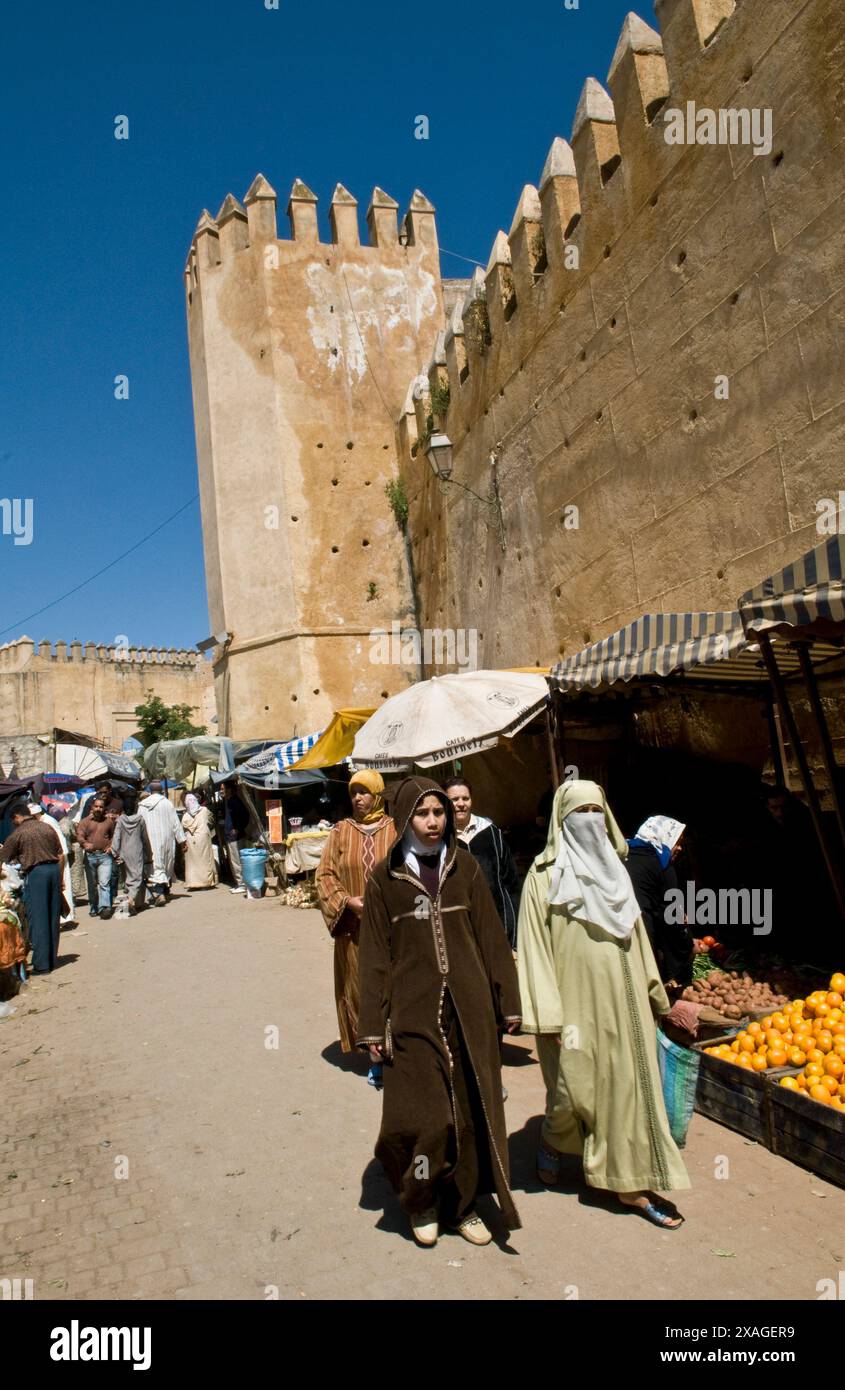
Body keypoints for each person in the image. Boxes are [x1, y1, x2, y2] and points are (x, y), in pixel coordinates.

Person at [516, 779, 690, 1229]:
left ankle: (628, 1182)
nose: (590, 821)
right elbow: (533, 947)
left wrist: (655, 991)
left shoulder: (618, 871)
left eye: (597, 811)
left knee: (625, 1089)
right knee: (575, 1090)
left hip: (625, 1000)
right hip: (573, 1008)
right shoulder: (542, 877)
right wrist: (546, 1012)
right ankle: (554, 1142)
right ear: (562, 821)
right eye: (579, 813)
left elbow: (637, 937)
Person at [356, 777, 521, 1248]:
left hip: (469, 1015)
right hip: (412, 1016)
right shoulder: (385, 879)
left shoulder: (465, 867)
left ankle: (462, 1205)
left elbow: (491, 937)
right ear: (406, 820)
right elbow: (374, 958)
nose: (433, 822)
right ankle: (422, 1199)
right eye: (423, 814)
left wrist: (507, 1000)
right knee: (426, 1117)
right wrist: (373, 1022)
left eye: (439, 812)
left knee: (470, 1114)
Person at [316, 771, 396, 1084]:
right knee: (363, 991)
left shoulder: (397, 829)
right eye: (354, 793)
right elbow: (324, 875)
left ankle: (400, 1054)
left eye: (365, 792)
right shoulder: (340, 831)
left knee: (396, 990)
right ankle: (375, 1058)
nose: (359, 799)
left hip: (392, 930)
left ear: (378, 794)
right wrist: (347, 901)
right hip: (354, 933)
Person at [444, 778, 521, 947]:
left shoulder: (492, 834)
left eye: (465, 798)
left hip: (498, 925)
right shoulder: (441, 839)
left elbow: (510, 884)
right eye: (454, 799)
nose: (461, 804)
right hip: (461, 931)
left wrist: (513, 937)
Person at [625, 815, 693, 990]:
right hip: (642, 935)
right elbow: (670, 917)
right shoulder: (662, 865)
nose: (679, 848)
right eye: (677, 842)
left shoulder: (623, 855)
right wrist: (687, 944)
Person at [0, 806, 64, 974]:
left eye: (13, 820)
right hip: (54, 871)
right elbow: (61, 854)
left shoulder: (19, 833)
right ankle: (51, 959)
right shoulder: (46, 827)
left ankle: (42, 964)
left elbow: (3, 857)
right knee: (52, 916)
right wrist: (61, 877)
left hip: (37, 874)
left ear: (16, 817)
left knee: (39, 918)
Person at [29, 803, 76, 928]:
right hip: (54, 858)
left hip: (58, 859)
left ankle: (66, 917)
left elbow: (60, 842)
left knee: (63, 887)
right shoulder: (42, 822)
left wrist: (59, 859)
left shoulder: (49, 821)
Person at [139, 782, 186, 907]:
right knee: (166, 864)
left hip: (150, 839)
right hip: (166, 838)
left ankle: (162, 892)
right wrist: (182, 841)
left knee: (156, 865)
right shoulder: (167, 803)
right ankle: (162, 892)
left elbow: (139, 824)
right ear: (161, 791)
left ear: (150, 791)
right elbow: (176, 823)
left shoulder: (142, 805)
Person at [111, 793, 153, 915]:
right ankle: (130, 901)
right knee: (137, 878)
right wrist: (149, 853)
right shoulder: (140, 819)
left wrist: (115, 852)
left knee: (129, 878)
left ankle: (138, 904)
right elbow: (145, 838)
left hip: (124, 853)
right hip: (137, 852)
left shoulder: (120, 820)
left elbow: (116, 837)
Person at [77, 795, 116, 920]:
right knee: (92, 885)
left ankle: (105, 908)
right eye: (96, 806)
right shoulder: (84, 822)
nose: (98, 809)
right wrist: (84, 844)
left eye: (101, 807)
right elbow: (80, 836)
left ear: (104, 808)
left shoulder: (108, 821)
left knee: (104, 883)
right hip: (90, 857)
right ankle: (94, 906)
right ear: (92, 807)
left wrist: (110, 846)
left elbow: (113, 836)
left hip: (105, 857)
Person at [181, 793, 217, 890]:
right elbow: (211, 820)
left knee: (193, 863)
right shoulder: (204, 810)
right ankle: (206, 882)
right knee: (205, 860)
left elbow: (183, 828)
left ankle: (194, 883)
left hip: (191, 841)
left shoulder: (185, 816)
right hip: (203, 838)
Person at [222, 782, 251, 894]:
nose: (221, 791)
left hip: (235, 837)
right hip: (232, 836)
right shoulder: (230, 801)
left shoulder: (234, 801)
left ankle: (241, 884)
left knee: (237, 861)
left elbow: (245, 816)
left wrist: (237, 828)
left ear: (229, 789)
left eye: (223, 789)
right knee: (236, 861)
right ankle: (240, 883)